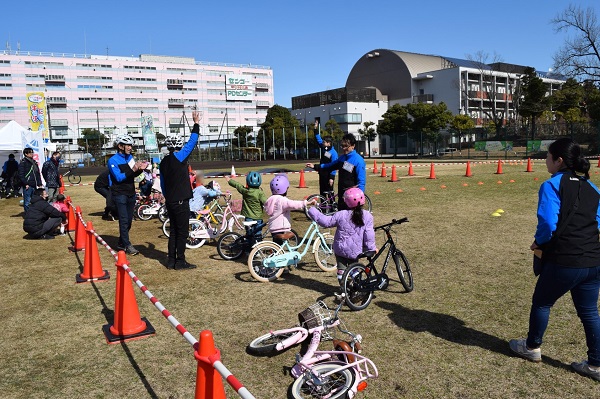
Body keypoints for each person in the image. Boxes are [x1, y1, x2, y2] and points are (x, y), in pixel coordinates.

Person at [509, 138, 600, 382]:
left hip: (564, 259)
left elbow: (548, 223)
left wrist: (540, 242)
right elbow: (597, 223)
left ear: (559, 160)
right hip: (592, 260)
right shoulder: (593, 188)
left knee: (542, 302)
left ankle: (532, 347)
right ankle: (595, 365)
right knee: (590, 312)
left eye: (548, 157)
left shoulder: (551, 185)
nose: (545, 161)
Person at [308, 187, 376, 297]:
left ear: (346, 201)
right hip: (355, 250)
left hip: (340, 248)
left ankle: (344, 288)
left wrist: (312, 210)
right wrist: (371, 248)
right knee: (355, 268)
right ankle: (357, 287)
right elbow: (369, 235)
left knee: (341, 270)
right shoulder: (367, 216)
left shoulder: (341, 214)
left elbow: (326, 222)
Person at [159, 110, 200, 270]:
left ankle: (171, 260)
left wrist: (167, 196)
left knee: (174, 231)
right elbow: (192, 141)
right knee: (182, 232)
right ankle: (181, 261)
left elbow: (162, 184)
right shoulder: (180, 156)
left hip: (170, 201)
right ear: (178, 146)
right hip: (181, 201)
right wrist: (196, 123)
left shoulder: (163, 162)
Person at [108, 133, 147, 256]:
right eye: (128, 145)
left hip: (131, 193)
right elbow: (119, 178)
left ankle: (121, 242)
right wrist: (133, 170)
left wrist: (140, 169)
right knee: (124, 220)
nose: (130, 147)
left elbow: (132, 175)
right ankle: (127, 245)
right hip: (119, 194)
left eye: (131, 145)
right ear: (120, 146)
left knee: (129, 220)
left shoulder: (130, 158)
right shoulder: (112, 160)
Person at [306, 133, 366, 211]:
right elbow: (330, 166)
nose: (343, 148)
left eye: (346, 146)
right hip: (342, 194)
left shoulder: (358, 160)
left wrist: (359, 197)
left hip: (352, 196)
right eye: (342, 146)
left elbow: (361, 182)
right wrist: (315, 166)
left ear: (353, 146)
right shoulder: (342, 158)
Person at [264, 174, 314, 245]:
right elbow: (293, 204)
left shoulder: (271, 199)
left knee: (277, 244)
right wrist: (306, 203)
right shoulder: (282, 200)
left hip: (273, 227)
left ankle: (274, 251)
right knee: (279, 243)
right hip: (280, 227)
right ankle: (278, 247)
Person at [225, 171, 266, 240]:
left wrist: (229, 180)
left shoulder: (245, 191)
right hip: (258, 217)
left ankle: (248, 247)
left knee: (249, 233)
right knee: (258, 234)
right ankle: (256, 247)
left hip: (248, 216)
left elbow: (237, 185)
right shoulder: (260, 193)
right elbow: (266, 202)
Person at [313, 120, 338, 196]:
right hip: (322, 173)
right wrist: (315, 129)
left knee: (330, 192)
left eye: (324, 142)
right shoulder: (324, 148)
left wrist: (331, 178)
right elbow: (318, 139)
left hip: (328, 175)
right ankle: (323, 207)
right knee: (322, 192)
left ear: (328, 143)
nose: (322, 143)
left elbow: (334, 166)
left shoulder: (333, 153)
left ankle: (331, 207)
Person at [18, 147, 43, 214]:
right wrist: (25, 183)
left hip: (34, 184)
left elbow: (37, 173)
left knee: (34, 200)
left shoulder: (34, 162)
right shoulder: (23, 162)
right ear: (26, 154)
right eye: (30, 152)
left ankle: (33, 214)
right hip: (28, 184)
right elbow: (21, 174)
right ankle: (28, 214)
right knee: (27, 201)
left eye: (32, 152)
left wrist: (39, 183)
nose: (32, 154)